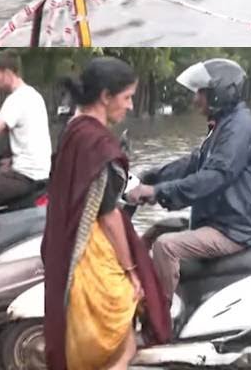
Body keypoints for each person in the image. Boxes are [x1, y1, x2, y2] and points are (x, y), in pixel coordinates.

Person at [42, 57, 171, 370]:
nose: (129, 106)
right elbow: (108, 214)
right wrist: (131, 270)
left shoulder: (73, 129)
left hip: (65, 243)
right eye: (126, 97)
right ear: (105, 96)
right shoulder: (98, 143)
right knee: (125, 334)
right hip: (94, 254)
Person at [125, 58, 251, 305]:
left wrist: (158, 191)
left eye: (200, 93)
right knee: (155, 230)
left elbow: (213, 177)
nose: (195, 100)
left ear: (219, 93)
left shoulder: (239, 128)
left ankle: (159, 321)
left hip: (237, 229)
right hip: (223, 219)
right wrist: (153, 175)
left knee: (166, 246)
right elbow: (194, 162)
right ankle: (146, 290)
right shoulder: (224, 125)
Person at [0, 50, 52, 206]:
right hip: (40, 173)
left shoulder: (17, 99)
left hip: (24, 176)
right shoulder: (34, 95)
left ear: (7, 73)